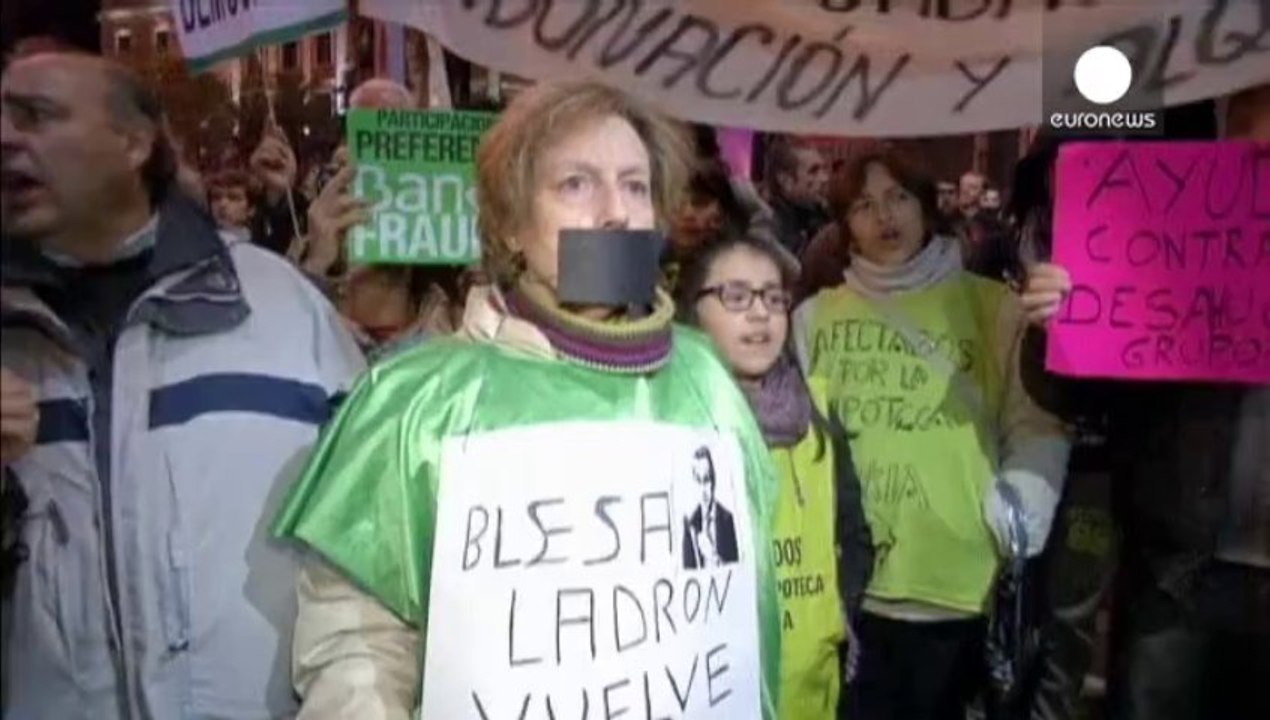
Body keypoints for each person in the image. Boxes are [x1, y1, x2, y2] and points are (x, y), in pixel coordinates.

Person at [273, 80, 782, 719]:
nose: (615, 213)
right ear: (511, 226)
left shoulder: (707, 380)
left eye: (635, 186)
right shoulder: (416, 403)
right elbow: (359, 654)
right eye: (576, 184)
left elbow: (745, 614)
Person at [0, 51, 364, 717]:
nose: (5, 136)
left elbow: (372, 537)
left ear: (135, 142)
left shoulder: (279, 304)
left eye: (37, 115)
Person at [1018, 82, 1270, 720]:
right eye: (1245, 142)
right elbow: (1078, 393)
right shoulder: (1175, 240)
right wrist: (1059, 328)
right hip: (1178, 571)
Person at [792, 150, 1070, 720]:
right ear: (846, 226)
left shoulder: (993, 306)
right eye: (864, 205)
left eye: (898, 197)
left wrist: (1013, 519)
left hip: (958, 583)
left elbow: (1035, 425)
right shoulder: (813, 318)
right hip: (852, 591)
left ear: (924, 207)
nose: (885, 217)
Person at [680, 228, 874, 720]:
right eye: (736, 296)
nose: (760, 312)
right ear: (691, 312)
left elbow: (853, 535)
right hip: (713, 694)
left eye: (773, 297)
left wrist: (838, 618)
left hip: (811, 691)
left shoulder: (817, 416)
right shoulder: (673, 427)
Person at [765, 137, 830, 258]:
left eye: (824, 169)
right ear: (785, 181)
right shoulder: (771, 228)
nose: (825, 178)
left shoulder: (823, 214)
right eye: (813, 171)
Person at [682, 445, 740, 569]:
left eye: (706, 479)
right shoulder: (690, 526)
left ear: (714, 480)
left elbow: (740, 571)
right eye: (698, 480)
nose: (703, 489)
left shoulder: (728, 520)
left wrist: (713, 557)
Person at [206, 167, 254, 237]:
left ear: (251, 209)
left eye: (233, 198)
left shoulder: (261, 246)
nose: (222, 204)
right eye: (216, 197)